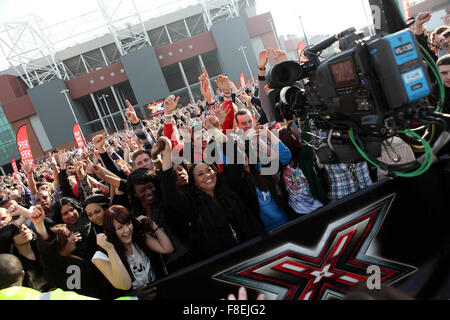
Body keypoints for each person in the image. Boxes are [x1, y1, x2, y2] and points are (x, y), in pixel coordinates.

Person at [159, 136, 267, 263]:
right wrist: (166, 155)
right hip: (223, 263)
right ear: (195, 183)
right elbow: (170, 195)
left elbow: (237, 161)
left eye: (209, 170)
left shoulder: (230, 189)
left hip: (255, 252)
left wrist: (215, 131)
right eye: (200, 174)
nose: (207, 175)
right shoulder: (192, 205)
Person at [28, 205, 125, 299]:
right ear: (60, 243)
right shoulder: (58, 266)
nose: (74, 237)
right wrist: (39, 225)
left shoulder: (74, 255)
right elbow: (48, 248)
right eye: (69, 235)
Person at [91, 205, 173, 299]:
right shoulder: (100, 256)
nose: (127, 230)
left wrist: (153, 225)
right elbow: (124, 285)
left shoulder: (137, 236)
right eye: (119, 228)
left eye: (128, 223)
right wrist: (110, 250)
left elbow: (167, 248)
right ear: (111, 231)